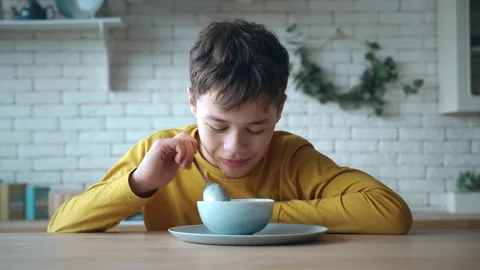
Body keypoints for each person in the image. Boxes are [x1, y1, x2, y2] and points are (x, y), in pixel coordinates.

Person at [47, 19, 412, 234]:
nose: (235, 147)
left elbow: (390, 212)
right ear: (193, 103)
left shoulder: (291, 158)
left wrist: (258, 214)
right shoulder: (159, 153)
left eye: (256, 129)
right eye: (218, 126)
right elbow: (61, 225)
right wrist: (140, 184)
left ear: (279, 110)